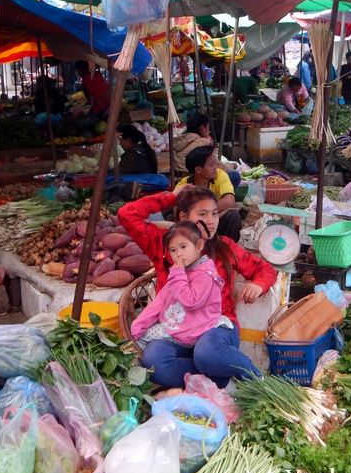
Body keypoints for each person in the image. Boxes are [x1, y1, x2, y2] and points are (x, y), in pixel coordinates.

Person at [118, 186, 277, 388]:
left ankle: (255, 378)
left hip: (215, 328)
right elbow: (126, 214)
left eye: (214, 213)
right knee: (154, 363)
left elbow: (266, 270)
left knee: (207, 354)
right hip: (174, 330)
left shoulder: (225, 247)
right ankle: (218, 378)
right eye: (202, 214)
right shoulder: (163, 245)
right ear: (183, 216)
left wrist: (258, 284)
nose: (210, 221)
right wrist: (170, 198)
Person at [131, 221, 224, 350]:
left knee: (143, 339)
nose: (179, 254)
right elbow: (160, 301)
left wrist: (178, 275)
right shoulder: (182, 270)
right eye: (173, 250)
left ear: (199, 245)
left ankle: (135, 364)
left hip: (193, 330)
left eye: (183, 247)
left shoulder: (205, 274)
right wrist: (139, 325)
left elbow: (190, 301)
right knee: (140, 336)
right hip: (179, 324)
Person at [176, 145, 242, 242]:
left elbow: (229, 201)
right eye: (211, 165)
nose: (215, 167)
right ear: (198, 169)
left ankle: (229, 250)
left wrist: (205, 214)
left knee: (233, 215)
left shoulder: (219, 175)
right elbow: (179, 215)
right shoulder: (184, 185)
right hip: (195, 227)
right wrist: (217, 213)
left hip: (216, 222)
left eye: (215, 163)